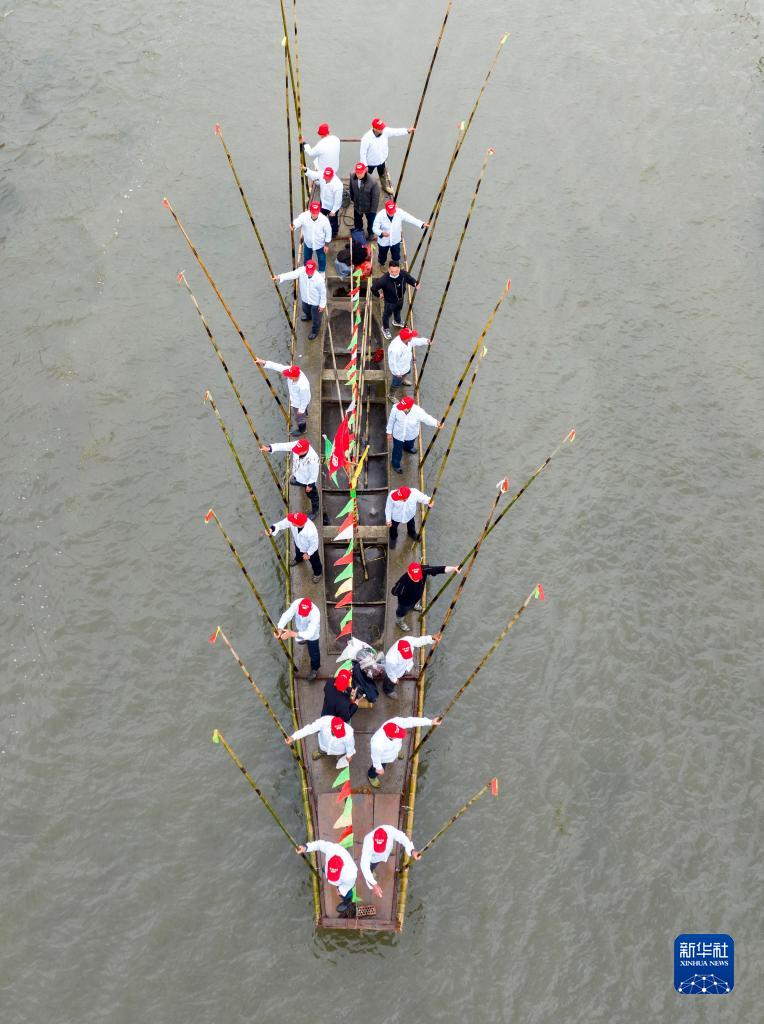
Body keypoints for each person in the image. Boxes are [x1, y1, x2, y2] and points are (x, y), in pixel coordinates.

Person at [367, 715, 442, 787]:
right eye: (398, 735)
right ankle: (371, 776)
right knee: (377, 768)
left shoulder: (396, 722)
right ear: (390, 736)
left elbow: (412, 721)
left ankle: (396, 753)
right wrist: (379, 768)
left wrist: (430, 722)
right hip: (384, 758)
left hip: (395, 749)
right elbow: (375, 757)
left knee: (396, 751)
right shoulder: (377, 744)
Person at [260, 437, 320, 519]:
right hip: (298, 474)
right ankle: (298, 481)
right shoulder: (297, 445)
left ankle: (315, 511)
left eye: (298, 452)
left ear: (305, 451)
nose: (295, 451)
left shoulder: (313, 459)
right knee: (297, 479)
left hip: (307, 480)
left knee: (312, 496)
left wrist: (310, 485)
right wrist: (270, 448)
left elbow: (314, 475)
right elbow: (284, 446)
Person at [295, 839, 357, 916]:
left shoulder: (351, 874)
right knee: (325, 869)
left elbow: (348, 885)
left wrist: (341, 890)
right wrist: (306, 847)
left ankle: (347, 902)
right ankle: (327, 870)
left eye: (334, 876)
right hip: (329, 869)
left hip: (344, 882)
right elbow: (319, 844)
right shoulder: (331, 849)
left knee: (347, 893)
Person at [391, 561, 460, 631]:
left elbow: (438, 569)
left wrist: (453, 568)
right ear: (409, 574)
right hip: (405, 603)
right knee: (401, 612)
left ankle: (414, 605)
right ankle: (400, 622)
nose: (417, 579)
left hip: (417, 597)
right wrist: (399, 590)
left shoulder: (423, 570)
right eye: (415, 578)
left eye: (418, 577)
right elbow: (394, 592)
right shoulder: (403, 582)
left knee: (415, 602)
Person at [385, 394, 441, 474]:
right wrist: (389, 433)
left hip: (411, 434)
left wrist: (437, 423)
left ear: (410, 407)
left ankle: (408, 448)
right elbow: (391, 421)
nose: (401, 408)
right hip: (398, 435)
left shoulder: (418, 411)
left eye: (403, 408)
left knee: (410, 444)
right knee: (397, 451)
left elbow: (427, 418)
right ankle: (395, 465)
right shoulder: (396, 407)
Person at [360, 825, 420, 897]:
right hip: (374, 858)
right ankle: (371, 874)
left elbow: (402, 838)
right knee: (370, 867)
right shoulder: (368, 841)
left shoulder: (390, 830)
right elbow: (364, 864)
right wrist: (374, 884)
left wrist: (412, 851)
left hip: (385, 854)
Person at [273, 259, 326, 340]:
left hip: (316, 302)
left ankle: (315, 331)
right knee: (305, 309)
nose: (309, 272)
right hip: (305, 299)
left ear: (314, 269)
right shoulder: (302, 270)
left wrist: (322, 305)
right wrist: (280, 277)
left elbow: (323, 293)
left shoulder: (319, 279)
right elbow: (292, 274)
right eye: (308, 270)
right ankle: (308, 316)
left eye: (311, 271)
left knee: (316, 319)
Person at [255, 359, 311, 435]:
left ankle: (302, 430)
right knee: (304, 409)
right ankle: (305, 413)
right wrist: (264, 362)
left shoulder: (303, 386)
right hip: (296, 398)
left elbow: (305, 399)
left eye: (288, 375)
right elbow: (278, 367)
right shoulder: (293, 370)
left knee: (299, 418)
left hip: (298, 403)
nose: (286, 375)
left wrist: (301, 410)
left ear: (293, 377)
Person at [359, 118, 414, 193]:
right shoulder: (366, 138)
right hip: (370, 163)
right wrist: (365, 166)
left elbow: (395, 131)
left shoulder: (385, 131)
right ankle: (364, 189)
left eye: (382, 127)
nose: (383, 129)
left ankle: (384, 187)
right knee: (367, 177)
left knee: (382, 174)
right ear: (375, 128)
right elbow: (363, 153)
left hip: (382, 160)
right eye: (380, 128)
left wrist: (407, 131)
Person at [268, 511, 322, 582]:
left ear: (299, 525)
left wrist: (308, 553)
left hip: (309, 549)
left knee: (315, 561)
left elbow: (314, 544)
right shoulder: (293, 520)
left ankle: (318, 574)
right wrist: (272, 529)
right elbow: (281, 524)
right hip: (298, 543)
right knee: (298, 553)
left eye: (293, 522)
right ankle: (298, 559)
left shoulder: (311, 530)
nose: (290, 522)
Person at [275, 596, 322, 680]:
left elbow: (310, 633)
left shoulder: (315, 613)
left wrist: (291, 634)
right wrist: (279, 628)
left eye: (305, 614)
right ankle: (302, 639)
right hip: (300, 629)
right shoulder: (296, 603)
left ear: (310, 609)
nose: (302, 615)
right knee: (300, 637)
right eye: (301, 612)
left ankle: (315, 669)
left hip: (312, 635)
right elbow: (286, 616)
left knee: (314, 653)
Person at [372, 200, 428, 268]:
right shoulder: (380, 215)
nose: (392, 213)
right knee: (382, 255)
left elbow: (410, 218)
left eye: (393, 211)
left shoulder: (399, 212)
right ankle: (382, 264)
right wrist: (381, 233)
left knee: (396, 256)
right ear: (386, 210)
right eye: (390, 212)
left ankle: (395, 266)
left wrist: (421, 224)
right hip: (384, 241)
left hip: (395, 240)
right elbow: (374, 228)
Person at [372, 261, 420, 339]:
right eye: (392, 271)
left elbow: (410, 279)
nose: (394, 273)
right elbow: (373, 288)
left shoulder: (403, 274)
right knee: (386, 315)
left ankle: (397, 321)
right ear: (388, 269)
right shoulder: (383, 280)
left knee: (398, 310)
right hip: (389, 302)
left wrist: (415, 284)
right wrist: (379, 295)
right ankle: (385, 328)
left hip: (401, 299)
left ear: (399, 269)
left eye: (396, 271)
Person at [286, 714, 355, 767]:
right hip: (323, 745)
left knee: (342, 756)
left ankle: (339, 756)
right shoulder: (324, 721)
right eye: (335, 733)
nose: (337, 735)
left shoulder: (348, 732)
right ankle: (321, 752)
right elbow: (309, 729)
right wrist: (293, 737)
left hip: (339, 750)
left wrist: (349, 755)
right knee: (321, 750)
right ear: (331, 727)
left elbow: (350, 745)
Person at [384, 484, 432, 549]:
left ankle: (412, 533)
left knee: (411, 524)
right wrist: (388, 520)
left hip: (409, 515)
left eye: (399, 498)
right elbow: (388, 508)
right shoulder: (392, 494)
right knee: (393, 528)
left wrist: (429, 501)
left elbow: (424, 498)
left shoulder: (415, 493)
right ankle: (393, 538)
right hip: (396, 517)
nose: (396, 498)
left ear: (405, 499)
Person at [292, 200, 332, 272]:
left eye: (316, 212)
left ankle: (322, 272)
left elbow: (328, 232)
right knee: (306, 260)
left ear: (319, 211)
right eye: (313, 212)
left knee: (322, 259)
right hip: (308, 243)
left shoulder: (324, 220)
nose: (314, 214)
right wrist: (294, 225)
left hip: (320, 244)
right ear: (310, 210)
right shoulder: (304, 216)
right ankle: (307, 271)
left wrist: (326, 244)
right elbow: (298, 221)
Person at [305, 165, 343, 238]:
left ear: (332, 176)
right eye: (325, 176)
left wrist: (334, 211)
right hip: (323, 203)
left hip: (332, 207)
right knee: (321, 217)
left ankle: (334, 232)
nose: (325, 178)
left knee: (333, 221)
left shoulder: (338, 185)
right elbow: (313, 175)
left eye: (327, 177)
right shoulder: (322, 174)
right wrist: (306, 170)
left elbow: (338, 200)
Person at [348, 162, 380, 239]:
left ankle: (371, 233)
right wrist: (353, 199)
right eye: (357, 172)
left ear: (365, 171)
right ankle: (359, 231)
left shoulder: (373, 182)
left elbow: (375, 198)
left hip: (369, 208)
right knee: (357, 220)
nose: (358, 174)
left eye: (360, 172)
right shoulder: (352, 177)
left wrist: (373, 211)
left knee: (371, 222)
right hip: (357, 205)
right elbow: (351, 189)